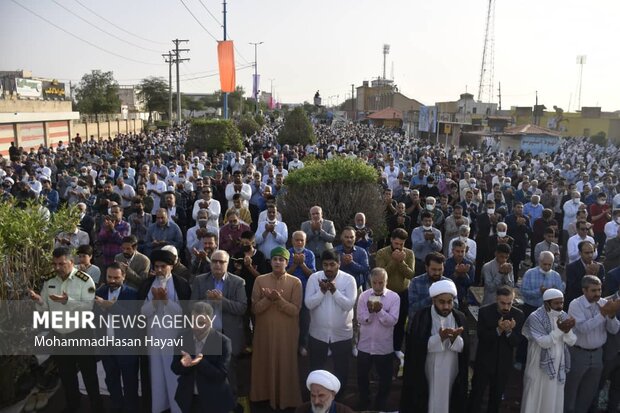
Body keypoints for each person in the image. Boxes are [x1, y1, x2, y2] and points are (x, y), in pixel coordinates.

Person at [28, 247, 102, 413]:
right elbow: (45, 307)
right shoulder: (49, 280)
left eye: (61, 264)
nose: (57, 268)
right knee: (67, 375)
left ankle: (97, 407)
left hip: (81, 333)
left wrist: (67, 300)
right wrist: (39, 301)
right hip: (59, 334)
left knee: (89, 375)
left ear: (71, 262)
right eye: (54, 264)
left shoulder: (85, 280)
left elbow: (88, 307)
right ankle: (72, 405)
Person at [400, 279, 468, 413]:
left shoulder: (460, 317)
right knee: (428, 399)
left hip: (451, 367)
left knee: (448, 398)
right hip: (427, 367)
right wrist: (439, 338)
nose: (446, 306)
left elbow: (465, 350)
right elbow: (416, 347)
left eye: (449, 302)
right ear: (433, 300)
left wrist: (455, 339)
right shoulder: (422, 317)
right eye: (442, 302)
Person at [138, 248, 191, 413]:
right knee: (156, 375)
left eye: (163, 266)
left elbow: (184, 313)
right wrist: (154, 302)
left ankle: (177, 409)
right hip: (153, 335)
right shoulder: (147, 284)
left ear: (171, 266)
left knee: (173, 375)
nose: (159, 270)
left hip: (174, 337)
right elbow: (142, 313)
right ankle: (159, 407)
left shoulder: (181, 284)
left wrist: (166, 301)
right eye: (156, 267)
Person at [190, 249, 247, 402]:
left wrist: (221, 301)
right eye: (214, 261)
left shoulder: (237, 282)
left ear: (227, 264)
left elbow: (242, 308)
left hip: (228, 334)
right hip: (207, 334)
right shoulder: (200, 280)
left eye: (221, 262)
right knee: (207, 370)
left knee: (229, 372)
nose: (217, 264)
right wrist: (208, 301)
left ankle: (231, 403)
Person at [250, 247, 303, 410]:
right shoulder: (260, 280)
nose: (278, 262)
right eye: (275, 259)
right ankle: (263, 397)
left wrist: (278, 300)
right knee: (264, 363)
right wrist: (268, 299)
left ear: (287, 263)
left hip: (286, 335)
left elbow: (295, 310)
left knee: (285, 364)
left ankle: (286, 399)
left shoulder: (295, 282)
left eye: (281, 259)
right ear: (270, 262)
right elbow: (255, 309)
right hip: (264, 334)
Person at [564, 275, 620, 413]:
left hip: (597, 355)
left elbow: (614, 330)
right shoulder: (575, 304)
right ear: (584, 290)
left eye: (599, 290)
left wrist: (612, 316)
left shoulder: (603, 303)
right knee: (571, 391)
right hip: (578, 354)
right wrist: (603, 315)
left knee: (588, 393)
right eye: (593, 290)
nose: (598, 294)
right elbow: (583, 328)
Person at [305, 250, 357, 394]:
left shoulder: (348, 280)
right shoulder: (314, 278)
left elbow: (348, 305)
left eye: (332, 264)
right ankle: (315, 398)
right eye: (325, 265)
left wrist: (334, 291)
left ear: (339, 264)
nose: (328, 268)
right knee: (316, 370)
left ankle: (339, 400)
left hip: (342, 335)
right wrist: (321, 292)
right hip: (318, 334)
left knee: (341, 370)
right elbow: (308, 304)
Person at [171, 302, 236, 413]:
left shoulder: (223, 342)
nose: (196, 327)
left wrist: (199, 362)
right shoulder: (182, 337)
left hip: (215, 401)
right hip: (189, 400)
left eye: (201, 323)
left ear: (211, 321)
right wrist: (185, 364)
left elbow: (220, 375)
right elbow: (175, 368)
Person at [468, 287, 524, 413]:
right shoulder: (484, 312)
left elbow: (516, 342)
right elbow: (482, 337)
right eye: (502, 303)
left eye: (509, 303)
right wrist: (498, 330)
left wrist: (509, 331)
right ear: (496, 300)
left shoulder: (518, 315)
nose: (506, 307)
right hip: (484, 361)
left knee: (496, 397)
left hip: (503, 364)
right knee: (477, 394)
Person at [520, 289, 577, 413]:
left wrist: (567, 331)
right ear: (546, 303)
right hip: (538, 366)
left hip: (557, 367)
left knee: (554, 396)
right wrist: (560, 330)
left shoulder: (563, 315)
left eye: (562, 303)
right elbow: (544, 342)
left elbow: (572, 341)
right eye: (556, 303)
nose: (560, 306)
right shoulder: (535, 317)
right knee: (535, 396)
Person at [94, 263, 140, 413]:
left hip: (127, 346)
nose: (112, 280)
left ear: (124, 277)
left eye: (116, 277)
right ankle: (116, 406)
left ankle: (131, 408)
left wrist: (111, 306)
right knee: (111, 379)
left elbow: (134, 318)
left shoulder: (133, 294)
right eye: (109, 277)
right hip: (107, 345)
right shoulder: (100, 291)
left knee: (130, 381)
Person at [356, 268, 400, 411]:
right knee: (362, 378)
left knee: (385, 380)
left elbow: (392, 321)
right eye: (374, 283)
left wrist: (380, 311)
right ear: (370, 282)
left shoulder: (394, 298)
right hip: (365, 346)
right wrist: (370, 312)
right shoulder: (363, 296)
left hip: (384, 347)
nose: (377, 286)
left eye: (381, 283)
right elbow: (360, 319)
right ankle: (365, 403)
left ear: (386, 282)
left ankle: (380, 405)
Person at [374, 228, 415, 357]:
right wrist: (393, 261)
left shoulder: (409, 254)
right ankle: (381, 347)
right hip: (385, 294)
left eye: (401, 244)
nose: (398, 247)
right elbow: (381, 274)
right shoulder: (381, 253)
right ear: (391, 240)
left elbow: (411, 274)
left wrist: (401, 262)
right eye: (396, 243)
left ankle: (396, 347)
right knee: (382, 321)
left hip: (403, 293)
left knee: (400, 321)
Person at [287, 230, 316, 355]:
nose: (299, 243)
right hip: (289, 292)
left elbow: (313, 275)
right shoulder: (287, 253)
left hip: (305, 291)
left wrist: (302, 264)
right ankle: (290, 344)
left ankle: (303, 345)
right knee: (290, 320)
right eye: (296, 240)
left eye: (301, 240)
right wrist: (295, 264)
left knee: (305, 320)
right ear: (292, 241)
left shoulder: (310, 254)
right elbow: (285, 273)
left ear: (305, 241)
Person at [565, 241, 606, 308]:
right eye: (587, 253)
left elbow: (603, 288)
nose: (590, 255)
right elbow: (571, 288)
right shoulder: (571, 267)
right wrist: (587, 275)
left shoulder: (599, 267)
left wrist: (595, 276)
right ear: (580, 253)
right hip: (577, 304)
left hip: (595, 303)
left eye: (591, 252)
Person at [444, 239, 475, 307]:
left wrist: (464, 274)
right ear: (452, 251)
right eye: (458, 251)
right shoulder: (446, 264)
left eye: (462, 251)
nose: (460, 254)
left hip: (463, 298)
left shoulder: (469, 264)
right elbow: (445, 282)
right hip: (448, 297)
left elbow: (470, 283)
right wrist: (456, 274)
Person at [411, 211, 443, 276]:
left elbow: (439, 248)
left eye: (430, 221)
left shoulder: (437, 232)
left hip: (432, 263)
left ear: (432, 222)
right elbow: (416, 246)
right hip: (419, 262)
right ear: (422, 221)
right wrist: (424, 239)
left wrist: (432, 240)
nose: (428, 223)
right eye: (425, 221)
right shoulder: (416, 231)